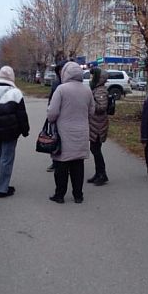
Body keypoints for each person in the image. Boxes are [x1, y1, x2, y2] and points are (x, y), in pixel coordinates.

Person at [47, 61, 95, 204]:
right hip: (81, 132)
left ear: (65, 73)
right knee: (78, 165)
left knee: (61, 166)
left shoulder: (61, 89)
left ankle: (60, 195)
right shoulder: (87, 90)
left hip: (64, 134)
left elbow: (52, 113)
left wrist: (51, 115)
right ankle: (78, 195)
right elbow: (92, 111)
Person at [0, 66, 30, 198]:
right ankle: (2, 189)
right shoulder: (16, 93)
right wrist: (25, 130)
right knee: (7, 158)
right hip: (11, 131)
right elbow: (22, 115)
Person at [87, 67, 110, 186]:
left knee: (96, 150)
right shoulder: (96, 89)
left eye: (92, 76)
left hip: (98, 125)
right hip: (95, 124)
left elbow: (101, 107)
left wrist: (90, 102)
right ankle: (98, 173)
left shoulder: (100, 91)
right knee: (94, 149)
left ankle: (102, 174)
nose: (91, 78)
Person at [46, 60, 66, 173]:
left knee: (64, 140)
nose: (61, 72)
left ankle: (65, 164)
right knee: (53, 139)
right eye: (59, 70)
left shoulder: (68, 83)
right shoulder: (56, 82)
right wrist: (49, 110)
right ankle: (55, 162)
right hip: (55, 114)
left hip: (65, 116)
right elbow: (51, 98)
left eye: (62, 69)